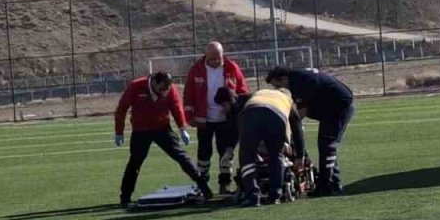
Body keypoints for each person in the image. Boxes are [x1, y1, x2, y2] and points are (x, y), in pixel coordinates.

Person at [115, 71, 213, 208]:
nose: (163, 93)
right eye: (161, 89)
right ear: (154, 82)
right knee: (135, 163)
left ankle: (204, 188)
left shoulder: (169, 89)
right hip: (141, 130)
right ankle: (125, 198)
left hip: (162, 128)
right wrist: (119, 131)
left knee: (181, 156)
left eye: (165, 90)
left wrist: (182, 128)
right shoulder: (136, 86)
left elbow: (176, 107)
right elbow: (121, 108)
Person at [264, 66, 355, 195]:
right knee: (326, 146)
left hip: (338, 107)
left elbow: (300, 113)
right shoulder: (297, 78)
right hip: (331, 108)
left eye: (278, 85)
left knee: (327, 145)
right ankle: (333, 183)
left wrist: (286, 130)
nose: (278, 90)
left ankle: (327, 185)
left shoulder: (299, 82)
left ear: (284, 79)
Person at [183, 41, 249, 194]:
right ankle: (202, 184)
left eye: (218, 58)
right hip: (203, 119)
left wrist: (237, 109)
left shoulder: (232, 67)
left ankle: (225, 183)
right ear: (206, 56)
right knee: (204, 153)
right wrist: (189, 116)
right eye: (212, 58)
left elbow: (242, 91)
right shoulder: (196, 69)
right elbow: (188, 95)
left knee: (225, 152)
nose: (215, 61)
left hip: (226, 119)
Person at [236, 80, 306, 207]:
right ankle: (275, 195)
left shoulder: (261, 93)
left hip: (249, 114)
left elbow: (240, 101)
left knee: (247, 157)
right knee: (276, 155)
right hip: (275, 116)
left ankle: (252, 196)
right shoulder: (288, 100)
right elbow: (297, 130)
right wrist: (300, 156)